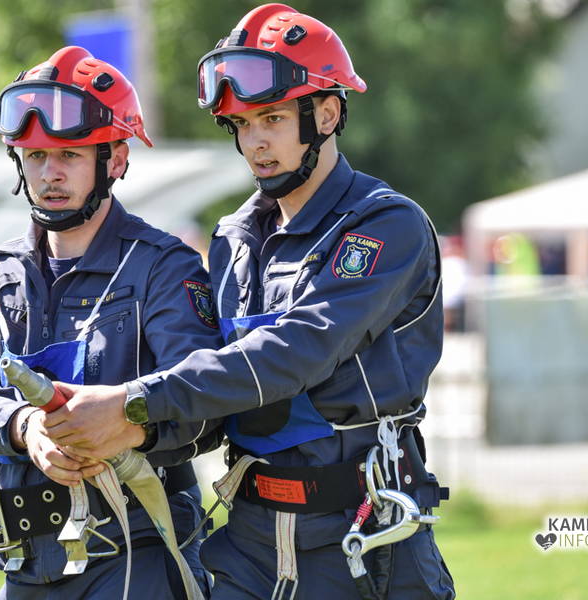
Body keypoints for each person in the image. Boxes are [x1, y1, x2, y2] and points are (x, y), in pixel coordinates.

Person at [49, 5, 456, 599]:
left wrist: (133, 402)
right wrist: (111, 432)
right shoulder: (233, 239)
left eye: (272, 118)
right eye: (240, 124)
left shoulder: (384, 226)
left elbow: (295, 353)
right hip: (246, 545)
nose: (255, 142)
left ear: (327, 114)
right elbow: (215, 397)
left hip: (368, 542)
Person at [0, 46, 222, 600]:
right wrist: (24, 427)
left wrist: (125, 420)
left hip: (136, 555)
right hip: (22, 564)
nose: (50, 173)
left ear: (115, 160)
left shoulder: (165, 267)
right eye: (36, 155)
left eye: (69, 154)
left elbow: (202, 397)